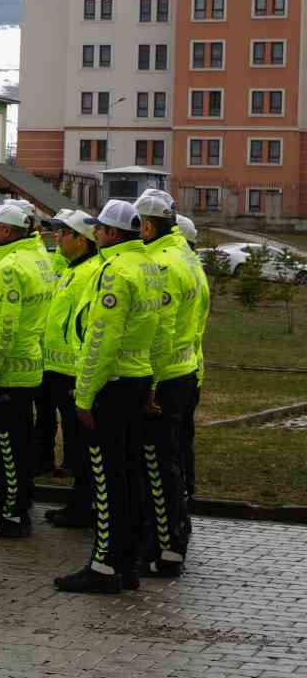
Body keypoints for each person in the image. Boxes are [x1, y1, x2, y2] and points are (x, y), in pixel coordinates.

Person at [54, 199, 162, 595]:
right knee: (130, 476)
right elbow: (159, 330)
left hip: (111, 386)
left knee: (106, 480)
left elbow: (101, 339)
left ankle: (104, 566)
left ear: (112, 234)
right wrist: (151, 382)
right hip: (136, 380)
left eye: (98, 229)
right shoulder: (149, 265)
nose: (94, 234)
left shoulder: (114, 271)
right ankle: (127, 562)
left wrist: (83, 396)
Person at [0, 200, 57, 538]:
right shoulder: (38, 258)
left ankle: (10, 516)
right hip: (30, 364)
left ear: (7, 231)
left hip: (6, 371)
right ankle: (18, 505)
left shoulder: (10, 269)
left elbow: (1, 326)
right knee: (20, 444)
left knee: (5, 447)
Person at [134, 189, 207, 578]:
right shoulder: (188, 259)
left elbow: (159, 332)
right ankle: (174, 536)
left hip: (164, 379)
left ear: (147, 226)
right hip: (186, 373)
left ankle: (166, 549)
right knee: (174, 462)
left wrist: (150, 384)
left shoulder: (161, 265)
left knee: (157, 466)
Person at [38, 209, 100, 530]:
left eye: (63, 232)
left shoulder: (90, 273)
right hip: (58, 367)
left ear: (81, 240)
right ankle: (78, 503)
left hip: (74, 369)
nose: (57, 237)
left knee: (82, 443)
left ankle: (83, 507)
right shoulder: (72, 269)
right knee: (75, 442)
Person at [174, 212, 204, 505]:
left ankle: (182, 491)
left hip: (180, 367)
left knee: (178, 440)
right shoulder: (195, 269)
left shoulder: (182, 270)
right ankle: (186, 488)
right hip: (192, 365)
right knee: (184, 436)